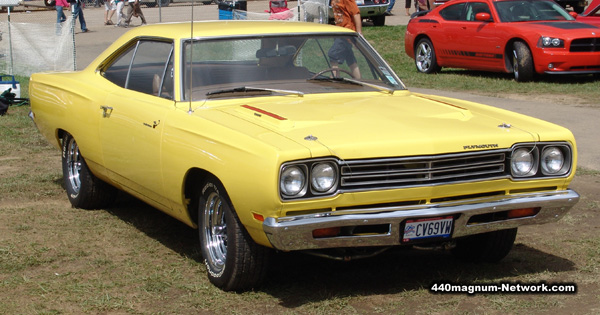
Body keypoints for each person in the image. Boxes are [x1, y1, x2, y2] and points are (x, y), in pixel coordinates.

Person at [328, 0, 362, 78]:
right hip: (339, 32)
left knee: (333, 54)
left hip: (346, 32)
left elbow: (356, 13)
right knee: (350, 58)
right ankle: (359, 81)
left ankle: (334, 79)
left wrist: (359, 33)